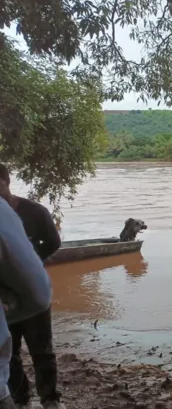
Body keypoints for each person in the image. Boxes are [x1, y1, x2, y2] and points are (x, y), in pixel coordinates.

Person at [0, 165, 62, 409]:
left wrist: (35, 259)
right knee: (11, 354)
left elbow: (54, 242)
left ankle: (50, 399)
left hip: (32, 292)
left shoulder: (34, 211)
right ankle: (21, 398)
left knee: (42, 351)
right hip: (8, 300)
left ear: (6, 181)